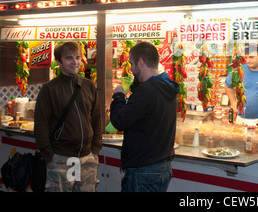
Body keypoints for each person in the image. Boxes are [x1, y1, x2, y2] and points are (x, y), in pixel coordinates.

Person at [110, 41, 179, 192]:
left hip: (143, 171)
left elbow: (119, 121)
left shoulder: (147, 91)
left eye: (132, 64)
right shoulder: (167, 87)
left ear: (140, 62)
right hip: (161, 167)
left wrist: (119, 96)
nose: (131, 69)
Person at [34, 42, 103, 192]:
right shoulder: (49, 90)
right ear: (58, 62)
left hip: (87, 158)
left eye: (78, 57)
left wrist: (95, 149)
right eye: (69, 58)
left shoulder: (89, 86)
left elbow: (97, 119)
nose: (75, 62)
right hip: (61, 158)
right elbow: (41, 124)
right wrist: (49, 155)